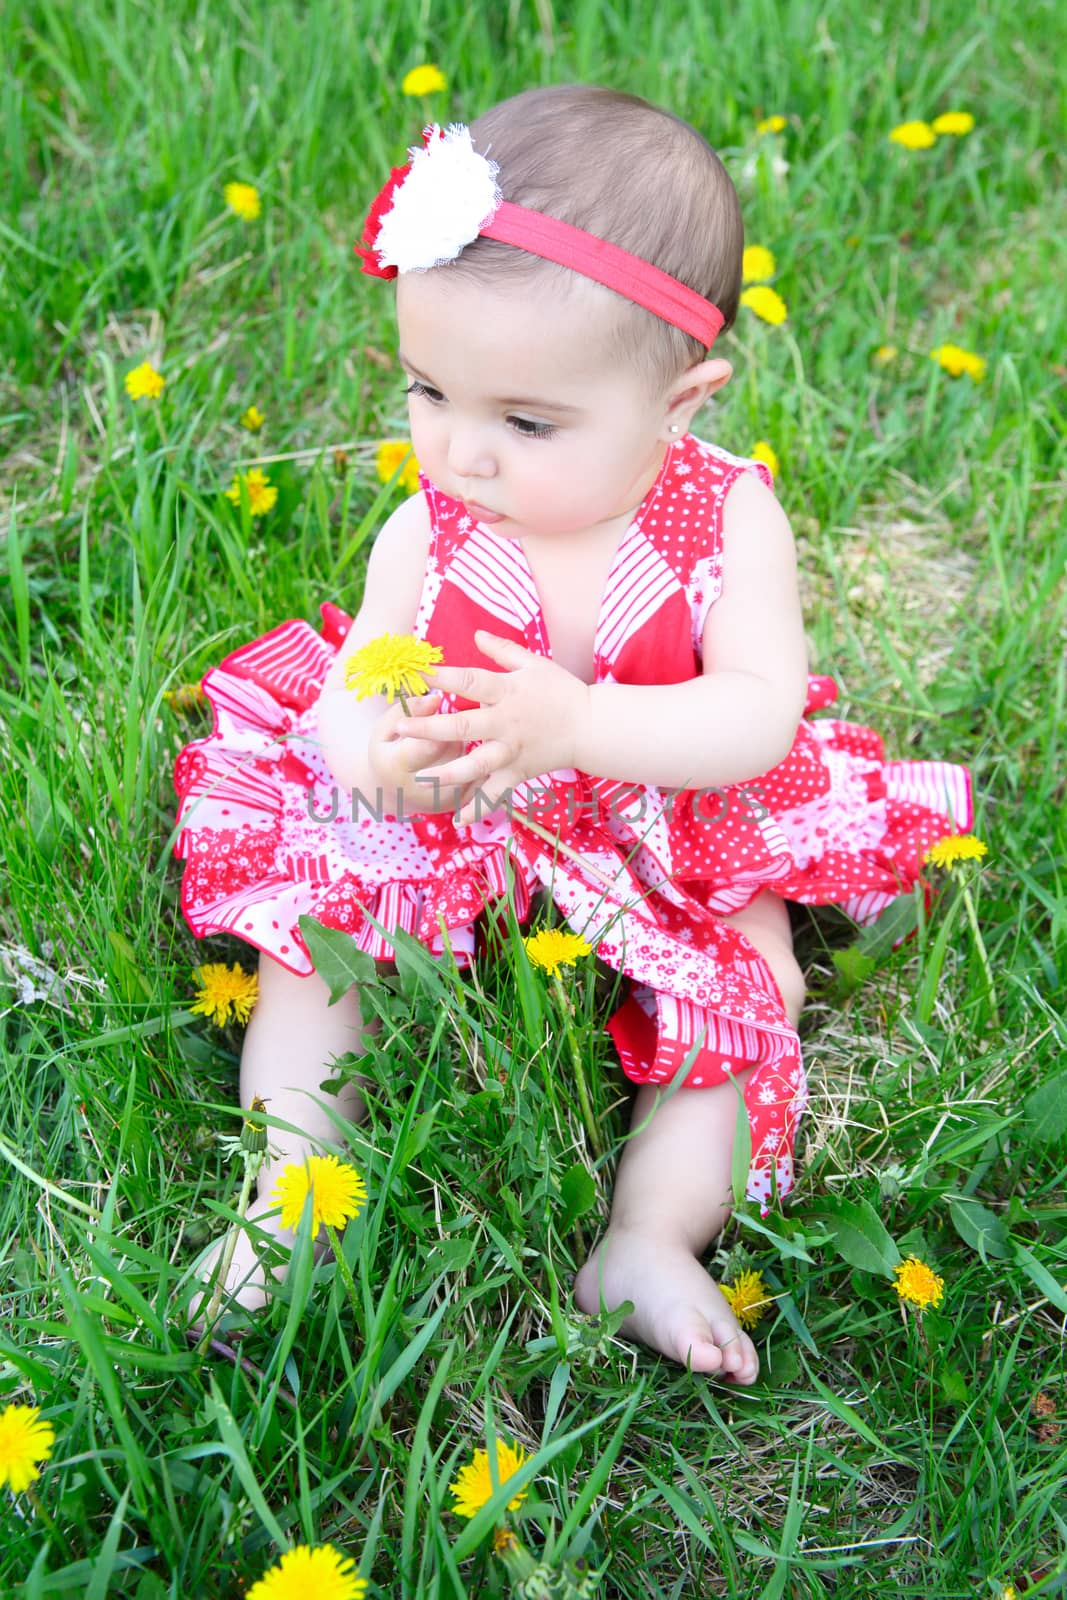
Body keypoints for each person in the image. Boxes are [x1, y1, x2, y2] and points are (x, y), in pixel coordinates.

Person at [175, 85, 972, 1380]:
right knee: (313, 943)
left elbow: (760, 713)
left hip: (662, 802)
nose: (460, 450)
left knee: (751, 987)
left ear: (684, 402)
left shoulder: (725, 525)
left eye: (526, 422)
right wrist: (379, 759)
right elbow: (364, 674)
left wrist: (591, 722)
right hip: (466, 795)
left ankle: (651, 1237)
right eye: (431, 390)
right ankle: (289, 1189)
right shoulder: (431, 526)